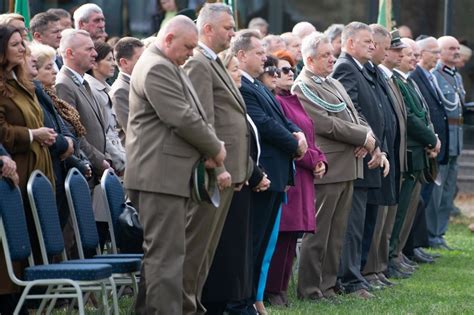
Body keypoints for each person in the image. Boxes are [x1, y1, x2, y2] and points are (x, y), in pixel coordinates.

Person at [124, 16, 226, 314]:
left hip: (166, 175)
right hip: (159, 176)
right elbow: (181, 117)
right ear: (168, 39)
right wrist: (215, 147)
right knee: (166, 257)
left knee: (165, 254)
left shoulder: (167, 64)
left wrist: (204, 148)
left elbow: (192, 116)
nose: (191, 53)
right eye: (187, 46)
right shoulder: (157, 67)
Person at [182, 4, 252, 314]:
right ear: (207, 29)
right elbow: (202, 120)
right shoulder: (198, 63)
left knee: (207, 249)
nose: (233, 33)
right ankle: (186, 306)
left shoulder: (214, 63)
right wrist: (221, 166)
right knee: (196, 247)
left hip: (229, 171)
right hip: (213, 170)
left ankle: (195, 304)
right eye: (227, 27)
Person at [295, 32, 374, 302]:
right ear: (309, 59)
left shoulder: (332, 83)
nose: (332, 59)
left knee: (337, 232)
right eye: (326, 55)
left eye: (332, 54)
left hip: (347, 164)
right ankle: (309, 289)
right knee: (318, 233)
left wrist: (367, 136)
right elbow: (323, 123)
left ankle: (327, 286)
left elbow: (354, 114)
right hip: (328, 167)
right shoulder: (303, 86)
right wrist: (361, 136)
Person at [233, 29, 307, 314]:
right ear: (241, 55)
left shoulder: (260, 86)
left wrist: (297, 134)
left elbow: (281, 118)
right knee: (254, 243)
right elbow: (262, 123)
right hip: (262, 173)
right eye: (258, 53)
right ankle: (246, 299)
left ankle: (253, 297)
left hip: (276, 172)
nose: (264, 58)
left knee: (264, 243)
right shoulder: (244, 87)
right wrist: (295, 144)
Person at [0, 24, 56, 314]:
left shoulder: (21, 81)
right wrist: (34, 135)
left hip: (37, 168)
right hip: (13, 173)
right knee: (12, 244)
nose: (23, 49)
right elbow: (3, 133)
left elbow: (34, 118)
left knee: (30, 243)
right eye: (15, 44)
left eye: (23, 43)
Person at [264, 50, 327, 307]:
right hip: (290, 171)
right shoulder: (276, 101)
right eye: (284, 70)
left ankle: (280, 288)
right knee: (281, 234)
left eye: (292, 69)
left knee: (292, 234)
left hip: (304, 174)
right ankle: (271, 289)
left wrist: (321, 158)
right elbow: (288, 140)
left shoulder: (294, 99)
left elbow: (308, 134)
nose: (290, 73)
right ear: (272, 75)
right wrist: (313, 160)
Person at [332, 21, 386, 299]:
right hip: (357, 155)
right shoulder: (345, 67)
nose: (373, 46)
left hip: (369, 153)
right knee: (352, 224)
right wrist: (368, 139)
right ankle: (350, 280)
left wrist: (377, 145)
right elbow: (349, 111)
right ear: (350, 43)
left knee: (361, 221)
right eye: (367, 42)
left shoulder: (362, 69)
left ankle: (357, 275)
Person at [389, 37, 440, 277]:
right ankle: (391, 256)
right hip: (409, 151)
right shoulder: (396, 81)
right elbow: (409, 117)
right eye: (410, 54)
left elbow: (423, 113)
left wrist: (432, 140)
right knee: (400, 210)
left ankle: (397, 254)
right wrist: (431, 138)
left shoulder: (407, 81)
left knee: (409, 208)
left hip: (419, 152)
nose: (414, 59)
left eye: (415, 55)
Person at [364, 29, 409, 283]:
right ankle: (371, 268)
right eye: (396, 49)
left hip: (389, 154)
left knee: (385, 216)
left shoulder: (385, 77)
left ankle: (380, 266)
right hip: (375, 154)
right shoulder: (372, 73)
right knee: (376, 218)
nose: (402, 55)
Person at [409, 36, 449, 260]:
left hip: (430, 146)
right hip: (421, 147)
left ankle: (415, 246)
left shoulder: (428, 76)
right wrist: (430, 140)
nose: (437, 56)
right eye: (433, 52)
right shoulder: (414, 75)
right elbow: (414, 117)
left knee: (421, 200)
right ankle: (410, 247)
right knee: (418, 200)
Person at [55, 29, 110, 184]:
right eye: (88, 49)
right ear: (70, 53)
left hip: (96, 172)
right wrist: (100, 162)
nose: (95, 54)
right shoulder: (63, 85)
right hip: (87, 174)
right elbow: (74, 132)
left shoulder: (81, 82)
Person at [430, 36, 465, 249]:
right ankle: (431, 234)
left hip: (457, 138)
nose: (456, 52)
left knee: (449, 188)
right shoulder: (435, 76)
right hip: (443, 140)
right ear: (440, 52)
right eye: (451, 48)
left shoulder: (457, 77)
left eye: (458, 48)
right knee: (438, 190)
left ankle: (440, 233)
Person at [85, 40, 125, 176]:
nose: (114, 63)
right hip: (110, 162)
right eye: (109, 59)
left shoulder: (105, 89)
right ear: (95, 63)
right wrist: (120, 161)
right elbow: (105, 134)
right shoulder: (92, 91)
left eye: (113, 59)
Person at [109, 37, 144, 144]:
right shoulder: (120, 91)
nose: (146, 62)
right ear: (124, 62)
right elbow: (134, 131)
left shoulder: (136, 83)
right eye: (140, 58)